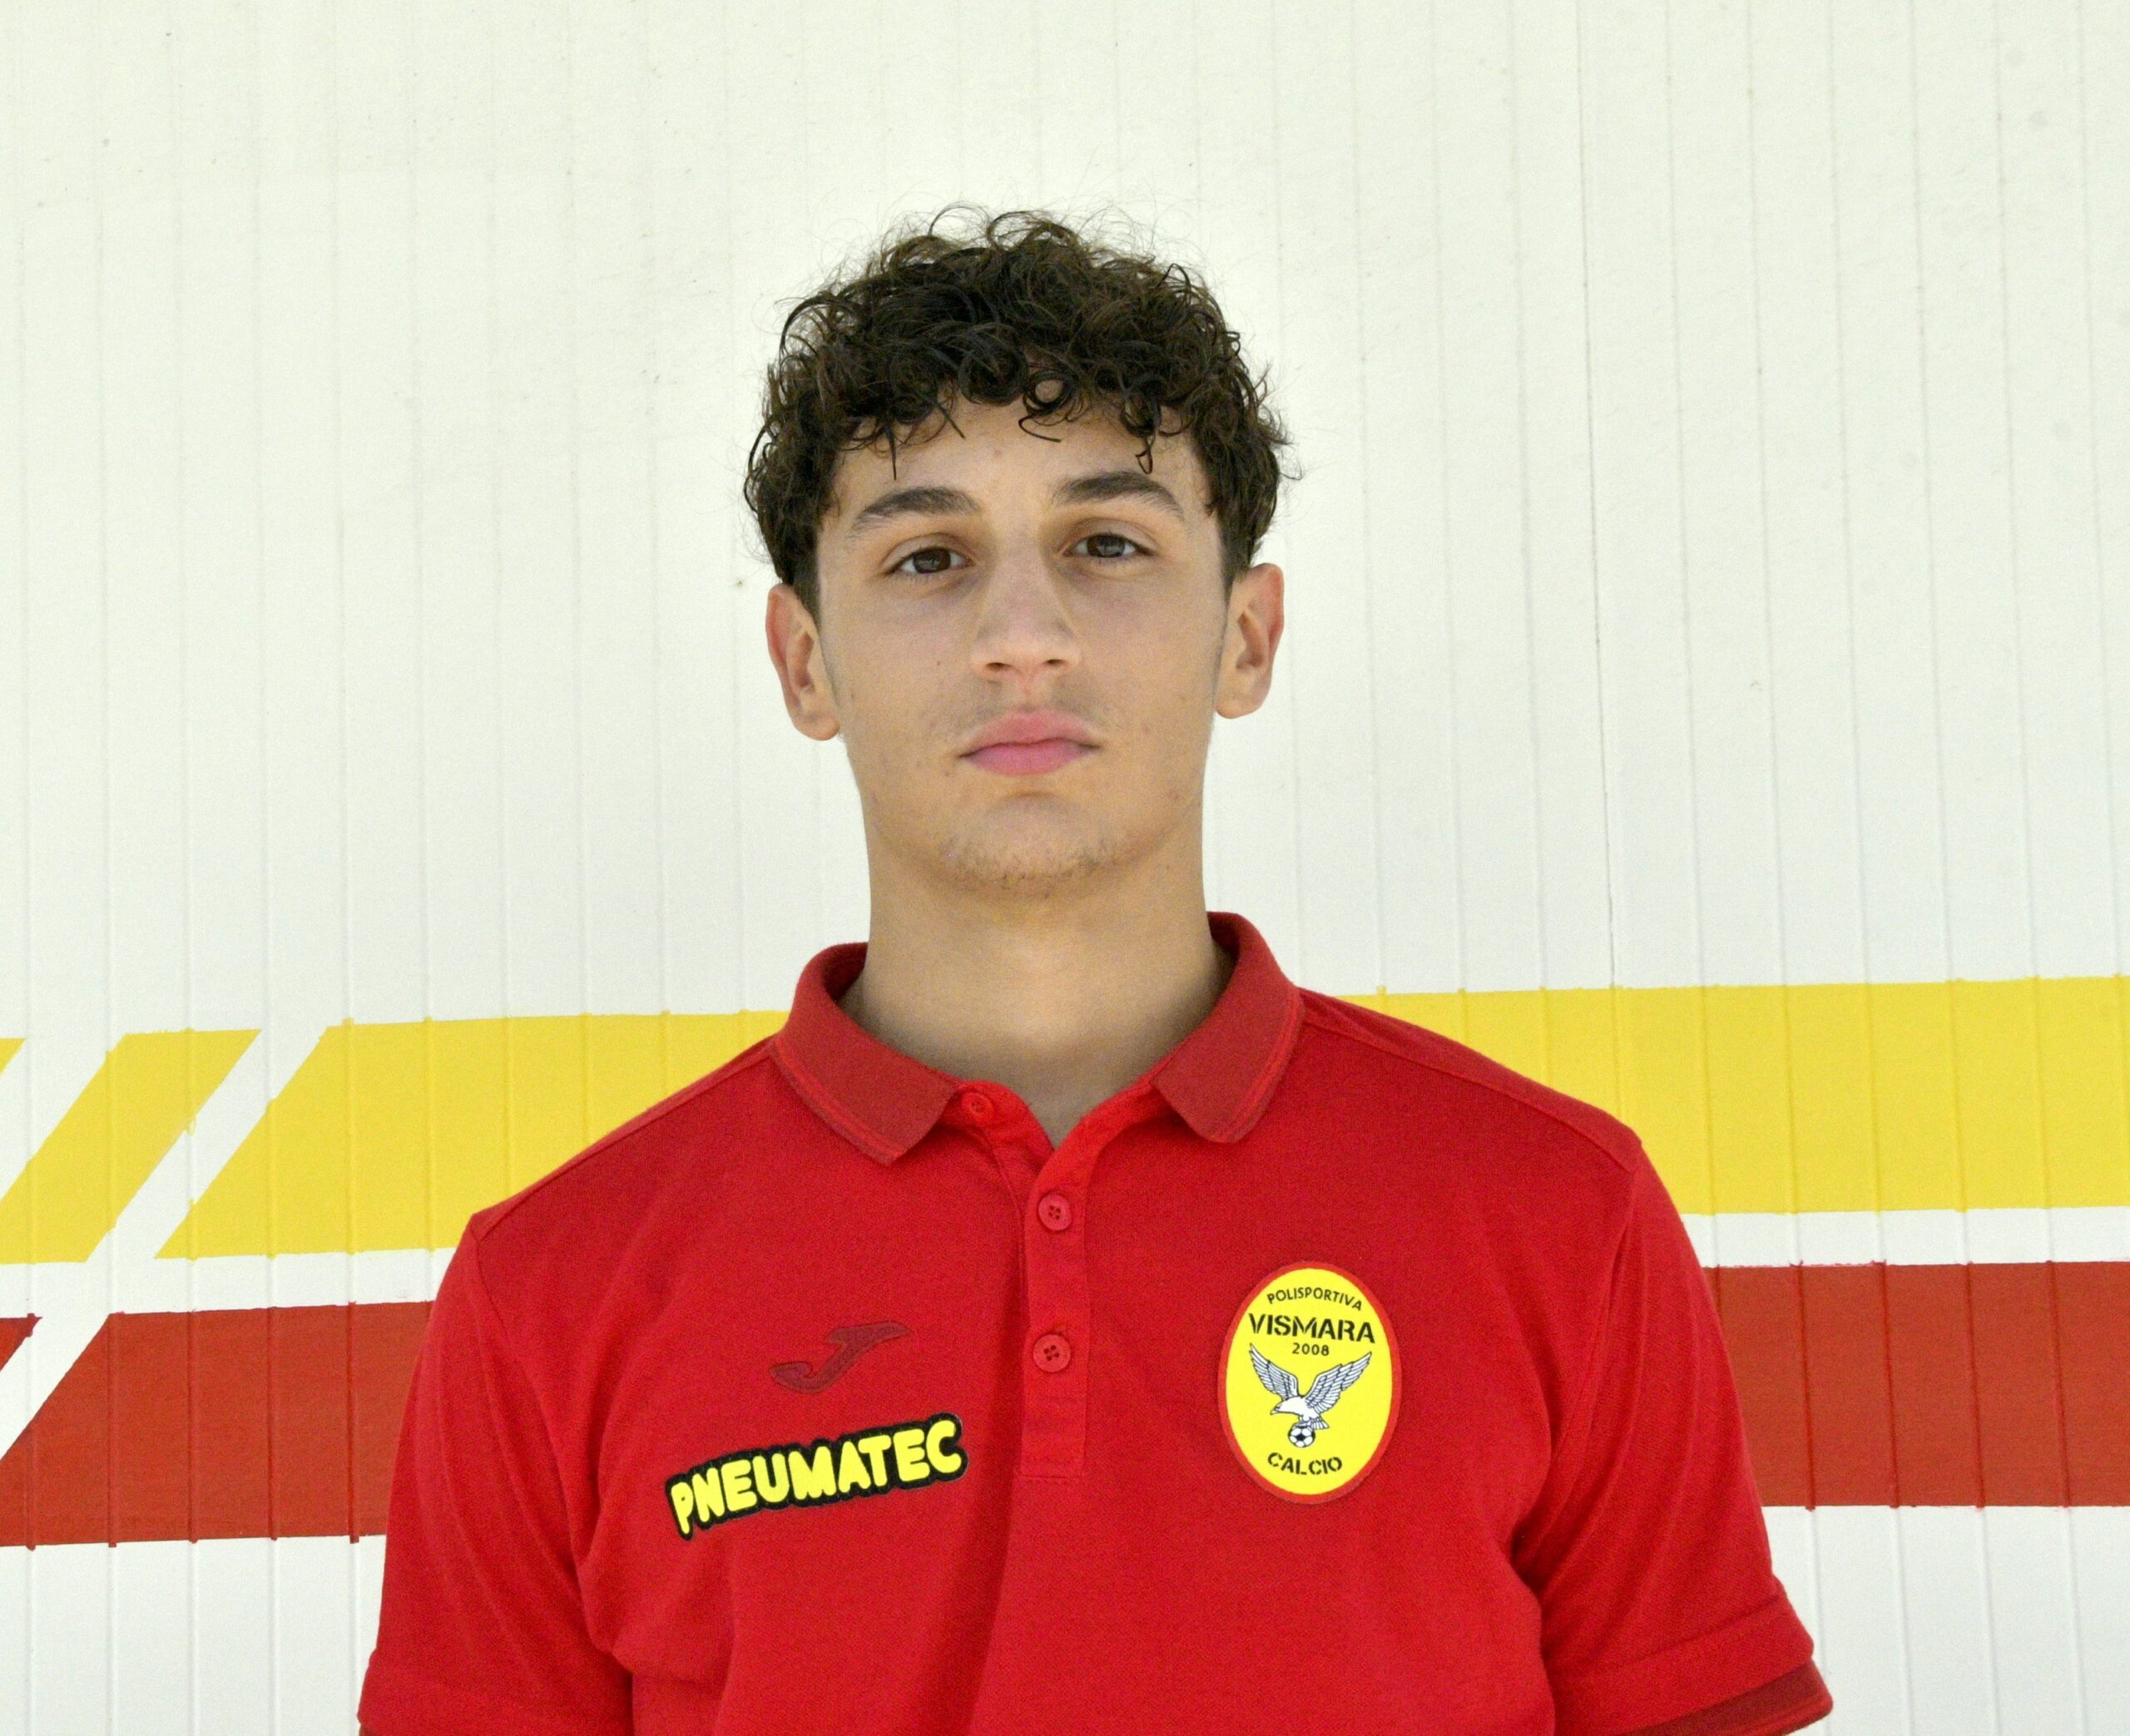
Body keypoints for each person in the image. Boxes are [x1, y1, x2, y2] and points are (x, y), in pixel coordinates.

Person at [358, 205, 1832, 1736]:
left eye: (1107, 544)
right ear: (804, 661)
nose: (1023, 635)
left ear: (1246, 636)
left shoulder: (1558, 1216)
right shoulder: (554, 1294)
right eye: (929, 556)